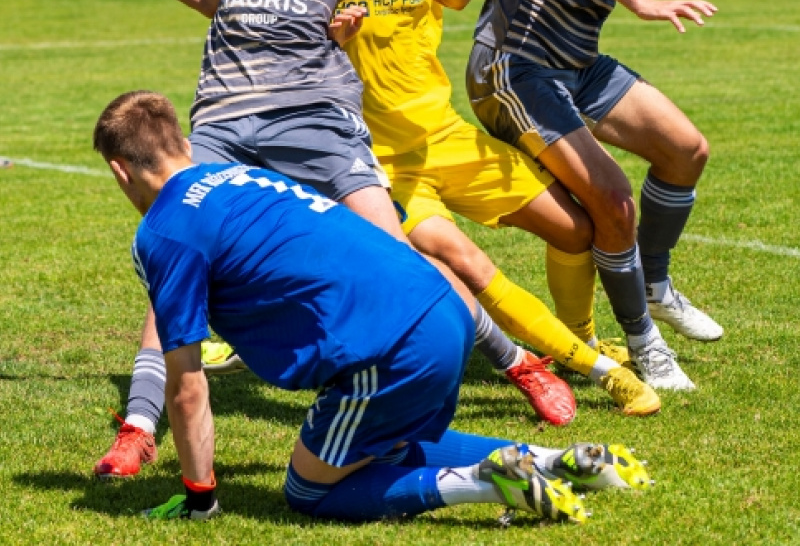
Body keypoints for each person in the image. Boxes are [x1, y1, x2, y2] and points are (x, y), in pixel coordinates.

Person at [78, 0, 541, 478]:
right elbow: (210, 1)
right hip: (227, 117)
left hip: (315, 114)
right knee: (176, 251)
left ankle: (514, 358)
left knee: (395, 252)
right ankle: (140, 426)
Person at [92, 89, 652, 523]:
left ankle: (486, 480)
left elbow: (188, 385)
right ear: (184, 144)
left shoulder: (163, 233)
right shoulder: (250, 175)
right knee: (392, 445)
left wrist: (200, 497)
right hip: (445, 310)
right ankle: (560, 462)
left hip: (388, 348)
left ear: (120, 170)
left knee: (308, 490)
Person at [337, 0, 659, 415]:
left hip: (447, 137)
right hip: (379, 164)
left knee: (575, 228)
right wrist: (333, 37)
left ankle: (581, 337)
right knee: (466, 259)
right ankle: (586, 368)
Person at [468, 0, 750, 391]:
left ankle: (654, 282)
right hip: (517, 62)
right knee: (614, 202)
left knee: (686, 149)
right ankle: (644, 346)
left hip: (573, 59)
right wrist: (642, 1)